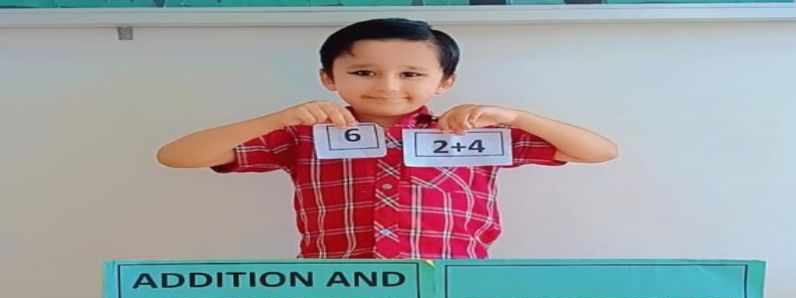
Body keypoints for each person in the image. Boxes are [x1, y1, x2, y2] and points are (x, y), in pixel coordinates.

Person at [156, 18, 618, 260]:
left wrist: (517, 116)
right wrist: (278, 117)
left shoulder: (472, 133)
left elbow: (599, 152)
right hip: (337, 290)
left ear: (445, 82)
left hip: (452, 286)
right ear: (328, 77)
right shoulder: (304, 136)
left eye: (411, 73)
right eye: (364, 72)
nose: (387, 86)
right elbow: (176, 156)